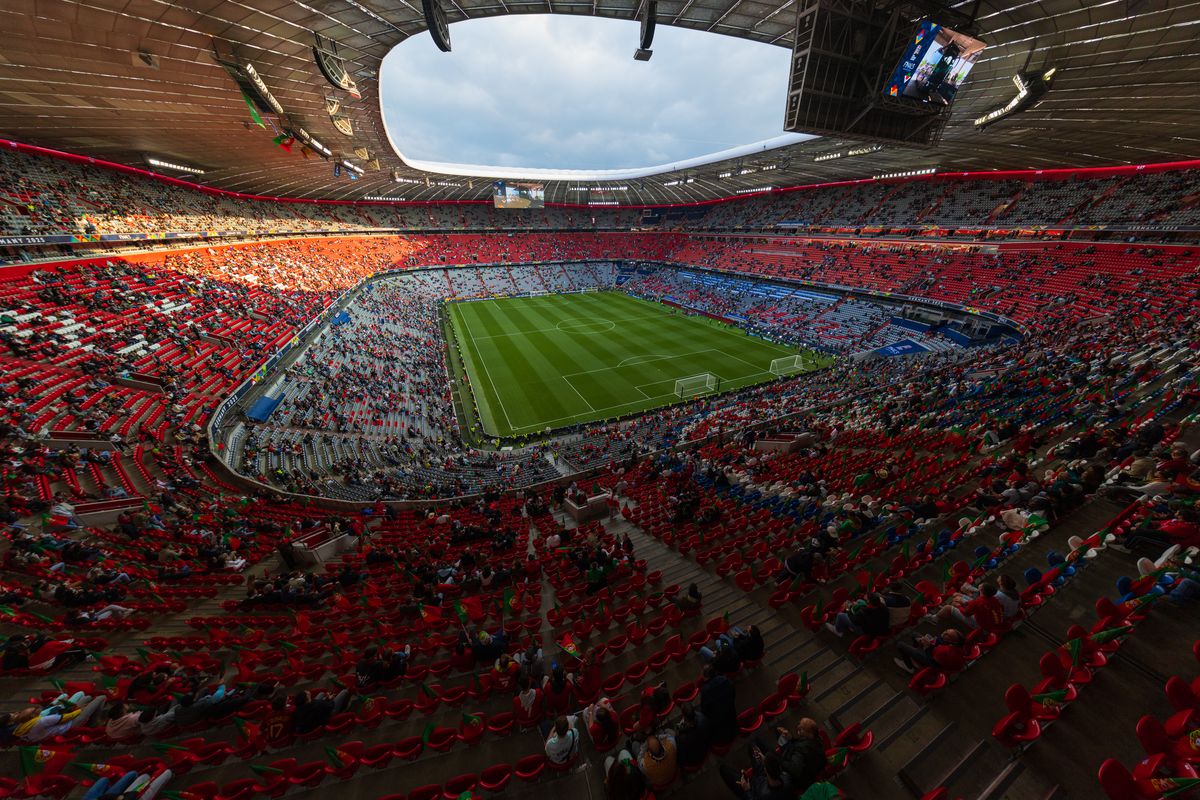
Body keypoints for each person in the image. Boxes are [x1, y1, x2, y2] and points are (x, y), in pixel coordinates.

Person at [719, 748, 792, 800]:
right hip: (761, 777)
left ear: (766, 769)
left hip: (751, 789)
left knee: (723, 770)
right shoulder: (787, 778)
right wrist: (764, 760)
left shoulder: (765, 796)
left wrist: (747, 790)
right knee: (752, 748)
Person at [776, 717, 826, 792]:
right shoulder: (817, 741)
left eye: (802, 728)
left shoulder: (802, 749)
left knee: (769, 752)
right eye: (799, 724)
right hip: (809, 774)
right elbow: (801, 744)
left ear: (809, 733)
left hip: (801, 781)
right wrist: (791, 739)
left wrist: (779, 759)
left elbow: (794, 769)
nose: (798, 727)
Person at [893, 629, 967, 674]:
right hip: (936, 656)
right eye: (947, 630)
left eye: (947, 634)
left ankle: (909, 667)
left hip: (931, 662)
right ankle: (915, 651)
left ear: (951, 642)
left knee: (900, 645)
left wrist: (927, 646)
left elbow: (932, 661)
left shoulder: (944, 651)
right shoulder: (959, 646)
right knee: (915, 634)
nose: (944, 632)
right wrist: (929, 643)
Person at [700, 663, 737, 744]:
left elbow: (704, 710)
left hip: (718, 730)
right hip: (732, 720)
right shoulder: (725, 679)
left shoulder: (705, 690)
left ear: (706, 677)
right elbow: (733, 694)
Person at [825, 593, 890, 638]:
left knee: (840, 615)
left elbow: (853, 620)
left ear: (868, 603)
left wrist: (848, 608)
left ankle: (838, 631)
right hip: (881, 629)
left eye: (865, 600)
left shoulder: (864, 612)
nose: (864, 600)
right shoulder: (884, 607)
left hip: (868, 632)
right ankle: (848, 626)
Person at [675, 702, 711, 769]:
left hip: (693, 760)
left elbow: (681, 757)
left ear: (684, 716)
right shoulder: (703, 718)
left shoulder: (682, 737)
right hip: (705, 751)